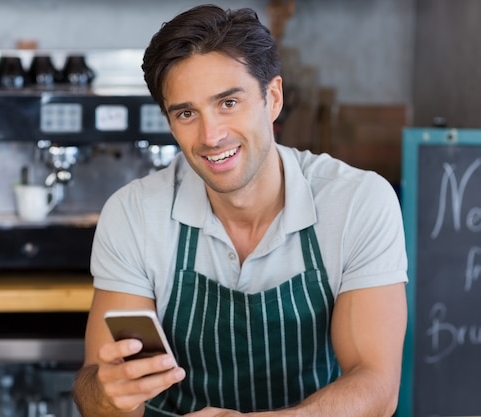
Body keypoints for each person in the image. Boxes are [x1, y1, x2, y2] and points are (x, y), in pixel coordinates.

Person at [72, 4, 408, 417]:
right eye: (186, 113)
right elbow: (96, 393)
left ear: (273, 98)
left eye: (228, 103)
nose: (211, 136)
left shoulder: (357, 202)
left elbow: (377, 386)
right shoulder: (134, 214)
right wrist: (108, 395)